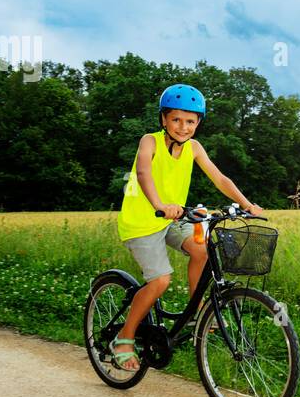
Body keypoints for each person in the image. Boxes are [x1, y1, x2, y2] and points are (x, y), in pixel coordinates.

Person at [110, 83, 263, 370]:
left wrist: (248, 204)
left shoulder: (194, 148)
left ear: (198, 123)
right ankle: (124, 338)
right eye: (176, 119)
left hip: (174, 219)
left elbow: (220, 179)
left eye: (190, 121)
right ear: (163, 120)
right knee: (160, 281)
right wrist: (159, 204)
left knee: (202, 250)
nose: (183, 126)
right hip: (142, 222)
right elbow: (143, 172)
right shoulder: (150, 141)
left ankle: (196, 314)